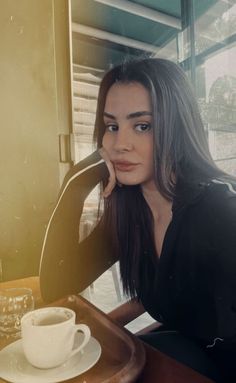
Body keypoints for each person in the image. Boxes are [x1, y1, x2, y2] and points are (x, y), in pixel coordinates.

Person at [39, 58, 236, 382]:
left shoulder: (220, 211)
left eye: (142, 125)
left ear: (176, 127)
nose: (120, 144)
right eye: (112, 127)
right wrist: (77, 182)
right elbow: (56, 285)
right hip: (184, 352)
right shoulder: (129, 212)